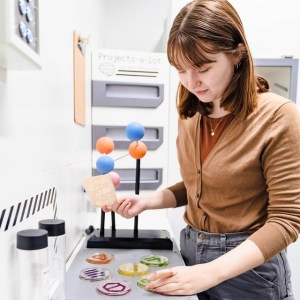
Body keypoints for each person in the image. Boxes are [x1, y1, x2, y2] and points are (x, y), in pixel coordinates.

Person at [103, 0, 300, 299]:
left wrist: (209, 273)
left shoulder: (279, 116)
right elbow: (202, 185)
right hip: (190, 253)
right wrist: (150, 200)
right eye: (181, 70)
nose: (191, 82)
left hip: (249, 273)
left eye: (202, 68)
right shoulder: (191, 111)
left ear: (237, 53)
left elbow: (286, 221)